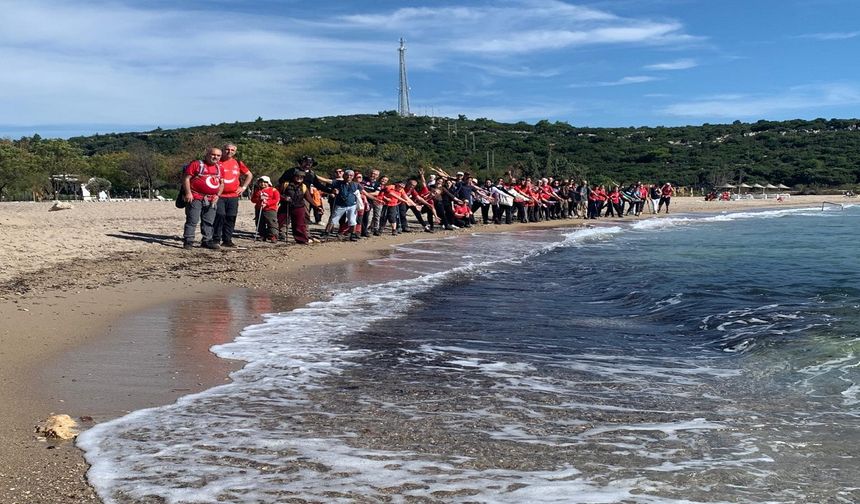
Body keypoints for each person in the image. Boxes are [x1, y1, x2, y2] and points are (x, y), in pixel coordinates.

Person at [181, 147, 224, 249]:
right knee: (192, 219)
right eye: (213, 154)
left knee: (209, 221)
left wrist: (218, 195)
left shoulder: (219, 168)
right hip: (195, 196)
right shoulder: (197, 164)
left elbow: (222, 184)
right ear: (207, 154)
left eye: (218, 155)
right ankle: (188, 241)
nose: (215, 157)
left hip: (211, 199)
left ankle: (207, 240)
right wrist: (188, 193)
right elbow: (186, 178)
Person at [213, 143, 252, 247]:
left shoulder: (237, 163)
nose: (229, 151)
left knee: (231, 217)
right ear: (223, 150)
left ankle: (227, 240)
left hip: (233, 196)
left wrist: (243, 187)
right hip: (219, 195)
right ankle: (216, 239)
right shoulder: (217, 161)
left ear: (235, 152)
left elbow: (249, 175)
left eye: (232, 150)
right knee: (220, 216)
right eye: (227, 149)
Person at [322, 169, 361, 241]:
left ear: (353, 176)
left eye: (351, 175)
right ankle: (326, 234)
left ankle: (352, 235)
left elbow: (364, 193)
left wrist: (375, 199)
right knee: (333, 220)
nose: (349, 177)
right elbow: (326, 180)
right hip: (340, 205)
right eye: (347, 175)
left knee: (352, 221)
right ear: (344, 175)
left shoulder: (356, 185)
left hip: (352, 205)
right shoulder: (338, 182)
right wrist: (314, 176)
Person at [281, 171, 314, 244]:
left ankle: (302, 240)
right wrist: (284, 198)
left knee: (299, 224)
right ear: (294, 177)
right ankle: (274, 236)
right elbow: (278, 193)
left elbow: (309, 198)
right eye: (297, 176)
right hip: (286, 206)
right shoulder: (286, 184)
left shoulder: (303, 186)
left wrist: (317, 207)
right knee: (280, 221)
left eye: (301, 177)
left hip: (299, 206)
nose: (299, 178)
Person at [250, 176, 279, 242]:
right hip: (259, 209)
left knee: (272, 223)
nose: (263, 184)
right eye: (261, 182)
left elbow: (276, 199)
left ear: (268, 183)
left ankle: (273, 236)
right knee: (260, 222)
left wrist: (267, 203)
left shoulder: (273, 190)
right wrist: (259, 199)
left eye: (265, 182)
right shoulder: (257, 191)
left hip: (270, 209)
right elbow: (253, 199)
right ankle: (262, 235)